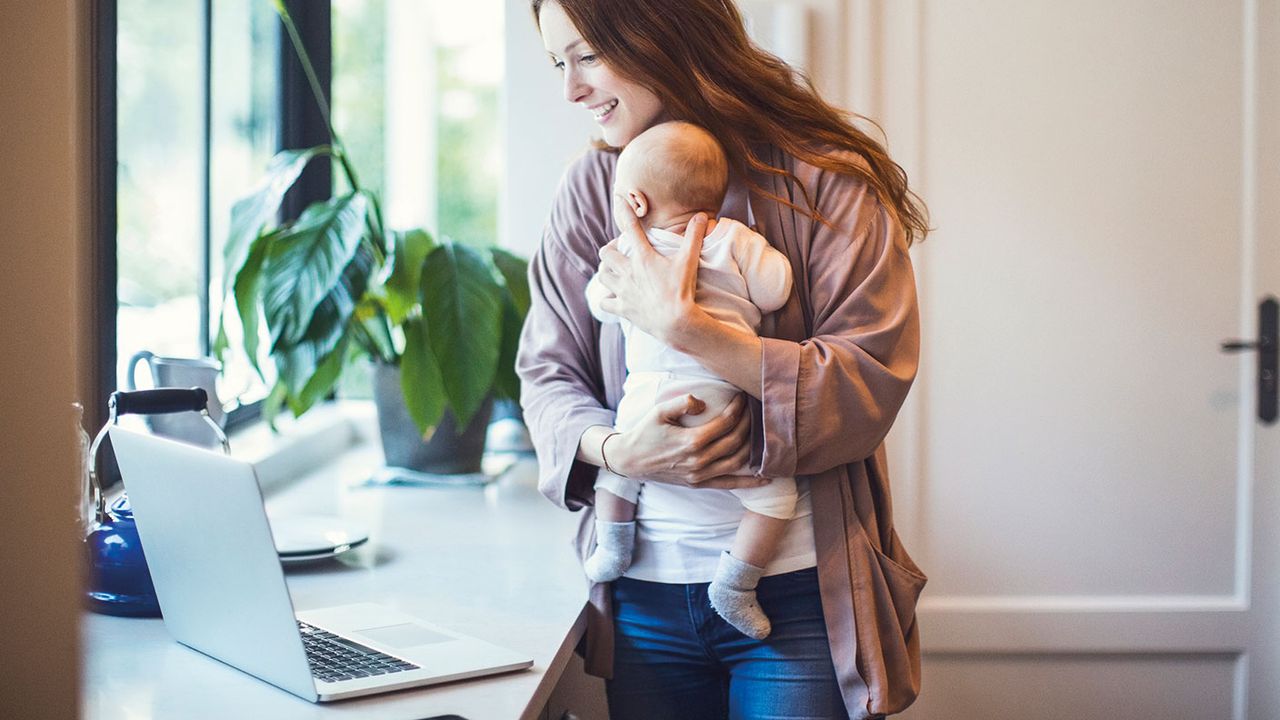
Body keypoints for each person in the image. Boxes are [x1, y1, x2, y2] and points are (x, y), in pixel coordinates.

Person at [516, 0, 930, 718]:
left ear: (659, 31)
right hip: (641, 596)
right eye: (560, 62)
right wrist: (618, 450)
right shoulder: (593, 190)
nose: (571, 91)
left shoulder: (825, 183)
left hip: (798, 596)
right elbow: (547, 372)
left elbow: (868, 379)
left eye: (586, 56)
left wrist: (687, 328)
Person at [582, 120, 797, 641]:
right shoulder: (735, 239)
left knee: (619, 464)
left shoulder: (629, 251)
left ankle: (612, 543)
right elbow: (776, 290)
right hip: (724, 401)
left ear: (633, 201)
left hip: (646, 402)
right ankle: (736, 584)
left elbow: (599, 304)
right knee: (777, 496)